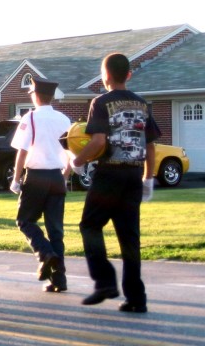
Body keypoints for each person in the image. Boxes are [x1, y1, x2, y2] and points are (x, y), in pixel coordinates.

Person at [71, 53, 160, 314]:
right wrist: (148, 178)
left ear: (105, 75)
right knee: (129, 238)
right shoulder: (143, 104)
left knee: (90, 225)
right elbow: (151, 145)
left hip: (109, 174)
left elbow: (98, 142)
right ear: (128, 75)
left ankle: (105, 282)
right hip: (133, 176)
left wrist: (77, 162)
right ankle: (136, 298)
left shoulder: (101, 102)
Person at [9, 77, 71, 293]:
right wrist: (64, 177)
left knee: (25, 221)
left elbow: (22, 151)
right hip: (56, 176)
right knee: (56, 230)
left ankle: (45, 254)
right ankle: (59, 279)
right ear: (52, 96)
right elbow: (71, 154)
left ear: (35, 95)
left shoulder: (31, 118)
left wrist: (16, 179)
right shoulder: (64, 120)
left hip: (35, 176)